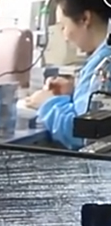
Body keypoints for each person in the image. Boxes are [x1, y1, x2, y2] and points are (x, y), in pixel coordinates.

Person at [25, 0, 111, 149]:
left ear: (85, 19)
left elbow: (82, 134)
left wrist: (47, 103)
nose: (65, 36)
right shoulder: (101, 60)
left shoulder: (103, 67)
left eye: (64, 26)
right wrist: (74, 92)